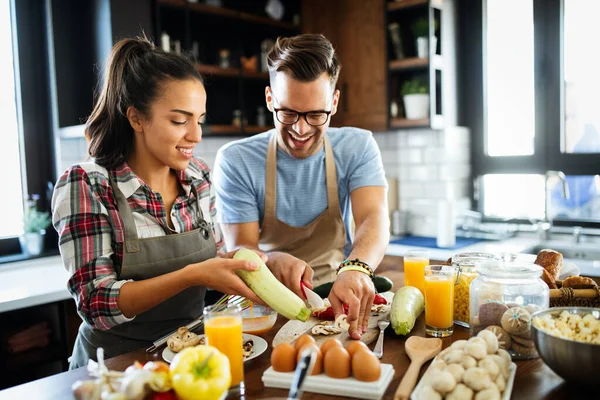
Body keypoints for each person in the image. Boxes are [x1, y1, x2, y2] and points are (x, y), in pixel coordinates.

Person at [51, 35, 264, 369]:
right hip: (113, 371)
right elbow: (96, 304)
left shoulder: (198, 179)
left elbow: (214, 263)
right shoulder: (87, 185)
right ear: (136, 118)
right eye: (180, 121)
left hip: (189, 358)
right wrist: (192, 274)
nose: (196, 135)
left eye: (200, 120)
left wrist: (254, 265)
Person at [213, 34, 390, 340]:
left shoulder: (358, 146)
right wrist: (271, 261)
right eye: (288, 113)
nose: (301, 128)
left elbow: (374, 217)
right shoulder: (235, 160)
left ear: (333, 103)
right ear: (270, 100)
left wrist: (357, 269)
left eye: (315, 114)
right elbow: (241, 249)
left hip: (337, 291)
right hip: (263, 305)